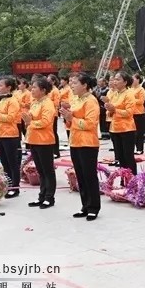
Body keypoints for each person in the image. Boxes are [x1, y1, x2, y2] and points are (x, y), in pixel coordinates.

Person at [61, 73, 101, 221]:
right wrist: (67, 118)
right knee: (81, 176)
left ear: (85, 85)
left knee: (89, 176)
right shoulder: (76, 99)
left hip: (87, 143)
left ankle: (94, 207)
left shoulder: (91, 101)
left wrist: (72, 118)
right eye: (71, 83)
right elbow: (72, 122)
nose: (72, 85)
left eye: (75, 83)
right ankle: (85, 205)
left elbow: (90, 124)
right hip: (75, 141)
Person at [24, 77, 56, 208]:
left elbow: (45, 121)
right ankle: (42, 195)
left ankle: (49, 197)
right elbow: (31, 117)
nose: (32, 90)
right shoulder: (35, 102)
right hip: (34, 139)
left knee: (47, 170)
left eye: (34, 87)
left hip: (44, 140)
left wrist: (30, 122)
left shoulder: (47, 103)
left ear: (43, 90)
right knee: (40, 170)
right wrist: (27, 119)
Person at [0, 77, 22, 199]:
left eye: (1, 85)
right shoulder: (0, 100)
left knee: (12, 162)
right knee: (4, 161)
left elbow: (10, 118)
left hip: (10, 134)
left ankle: (15, 187)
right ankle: (8, 184)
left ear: (9, 87)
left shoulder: (12, 101)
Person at [105, 71, 137, 175]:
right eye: (115, 79)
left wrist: (114, 110)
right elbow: (110, 112)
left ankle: (132, 180)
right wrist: (109, 109)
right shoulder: (114, 94)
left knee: (128, 156)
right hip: (115, 128)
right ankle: (124, 179)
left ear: (125, 82)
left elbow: (129, 112)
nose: (115, 81)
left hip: (127, 128)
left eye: (118, 79)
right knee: (120, 156)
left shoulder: (129, 94)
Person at [131, 73, 145, 155]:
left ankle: (140, 148)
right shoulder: (130, 89)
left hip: (139, 112)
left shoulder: (141, 90)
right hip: (131, 112)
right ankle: (133, 148)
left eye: (133, 79)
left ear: (138, 80)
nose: (132, 80)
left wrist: (131, 100)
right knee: (133, 132)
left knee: (139, 132)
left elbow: (141, 101)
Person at [47, 74, 62, 158]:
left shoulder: (55, 91)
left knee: (53, 132)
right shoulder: (48, 90)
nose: (48, 82)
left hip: (53, 114)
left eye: (49, 81)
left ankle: (56, 151)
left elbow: (56, 103)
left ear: (53, 81)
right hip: (47, 114)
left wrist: (47, 102)